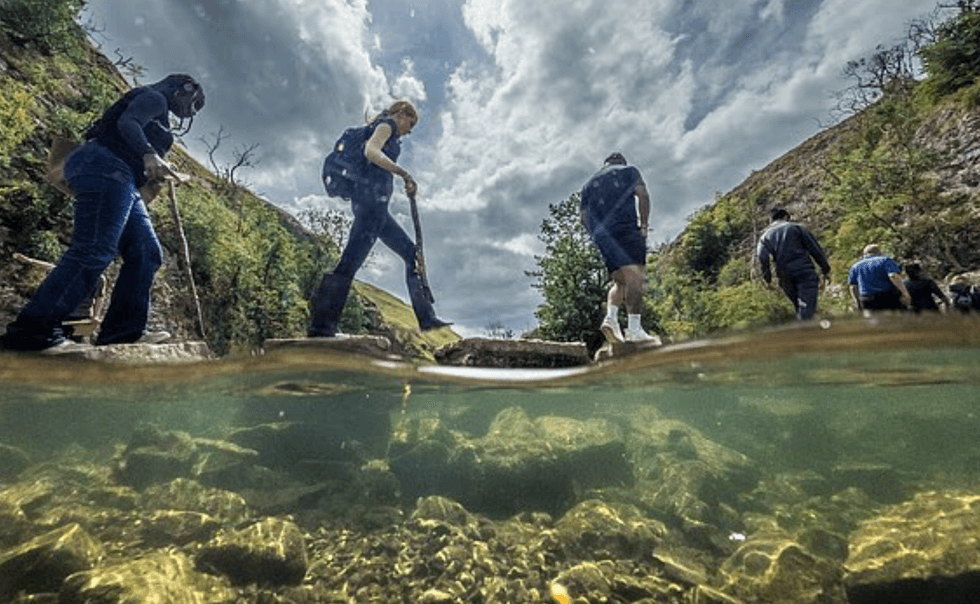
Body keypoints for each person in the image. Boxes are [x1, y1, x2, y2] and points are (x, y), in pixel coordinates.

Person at [2, 74, 205, 352]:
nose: (192, 112)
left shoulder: (158, 111)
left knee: (146, 253)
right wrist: (148, 153)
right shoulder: (155, 97)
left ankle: (122, 333)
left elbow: (134, 134)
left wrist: (157, 164)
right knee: (95, 247)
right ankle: (33, 331)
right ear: (185, 88)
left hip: (123, 177)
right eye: (195, 104)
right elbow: (128, 123)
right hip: (106, 165)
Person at [309, 100, 449, 337]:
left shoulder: (387, 132)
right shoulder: (387, 125)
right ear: (401, 113)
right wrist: (403, 173)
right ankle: (321, 327)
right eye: (410, 123)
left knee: (410, 253)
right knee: (348, 264)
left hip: (377, 209)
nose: (409, 130)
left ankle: (426, 317)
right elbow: (371, 152)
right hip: (370, 206)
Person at [580, 152, 658, 343]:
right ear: (621, 162)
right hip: (626, 229)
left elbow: (583, 217)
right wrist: (644, 226)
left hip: (602, 236)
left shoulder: (588, 184)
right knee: (635, 277)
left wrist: (597, 237)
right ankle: (634, 329)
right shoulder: (629, 171)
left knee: (619, 281)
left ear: (605, 164)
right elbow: (643, 195)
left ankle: (611, 319)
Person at [756, 207, 831, 320]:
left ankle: (805, 333)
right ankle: (804, 332)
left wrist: (768, 279)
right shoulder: (797, 228)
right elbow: (814, 249)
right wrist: (825, 269)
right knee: (807, 309)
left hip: (784, 275)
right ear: (786, 217)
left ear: (771, 220)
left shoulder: (764, 236)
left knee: (800, 308)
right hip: (804, 271)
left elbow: (763, 258)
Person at [847, 244, 911, 312]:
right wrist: (905, 293)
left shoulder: (855, 266)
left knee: (873, 321)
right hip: (886, 296)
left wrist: (857, 302)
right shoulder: (886, 260)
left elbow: (853, 287)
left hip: (867, 298)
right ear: (880, 251)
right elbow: (893, 276)